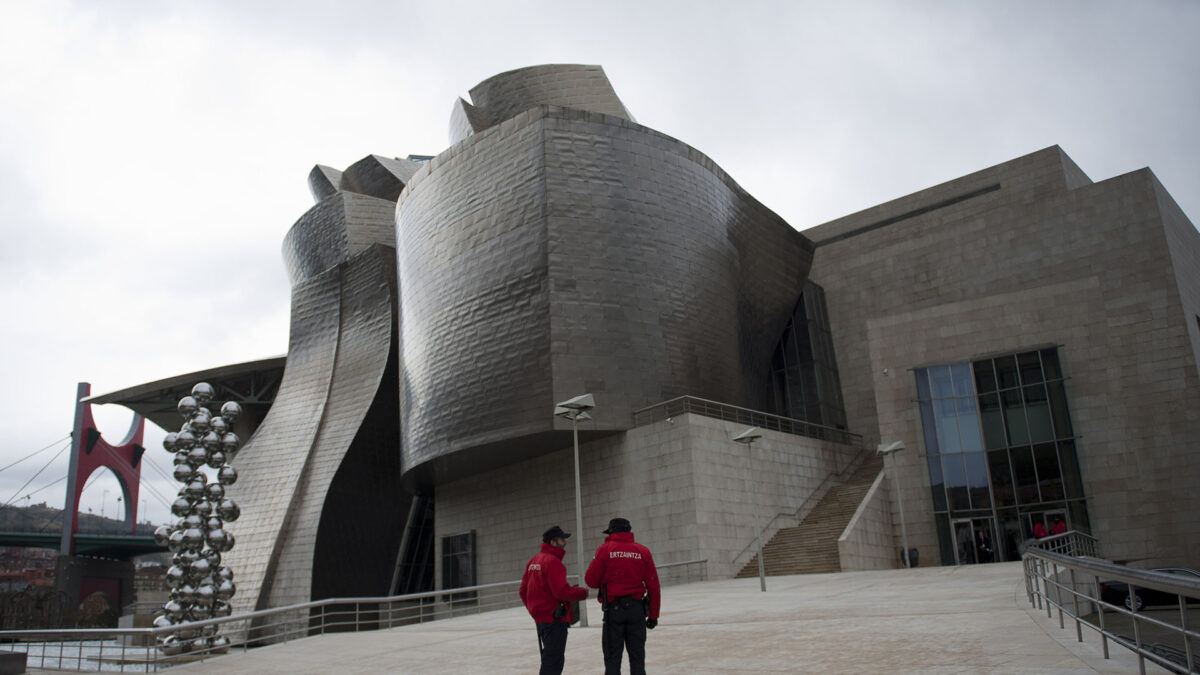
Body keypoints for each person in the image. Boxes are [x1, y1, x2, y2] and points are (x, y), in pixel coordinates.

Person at [585, 517, 661, 675]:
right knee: (637, 659)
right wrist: (653, 615)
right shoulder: (643, 551)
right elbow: (653, 586)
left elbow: (591, 581)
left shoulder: (605, 550)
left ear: (612, 531)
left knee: (612, 659)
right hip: (637, 610)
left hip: (614, 611)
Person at [520, 525, 589, 675]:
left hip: (542, 620)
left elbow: (523, 591)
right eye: (562, 539)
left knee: (549, 658)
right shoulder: (552, 562)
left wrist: (534, 611)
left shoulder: (534, 561)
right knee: (553, 661)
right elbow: (561, 592)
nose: (565, 543)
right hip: (554, 620)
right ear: (553, 542)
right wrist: (582, 593)